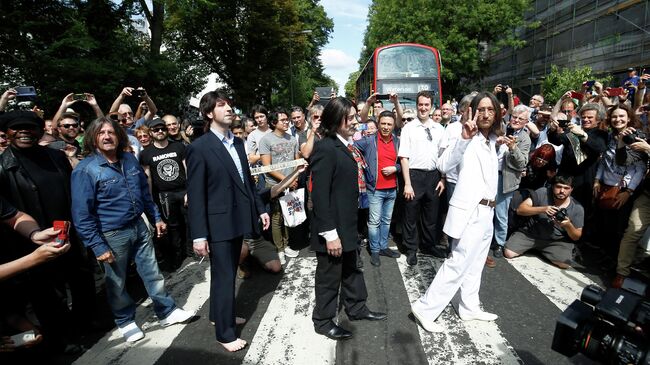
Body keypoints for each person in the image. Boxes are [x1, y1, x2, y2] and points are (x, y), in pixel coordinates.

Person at [71, 117, 193, 343]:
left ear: (119, 135)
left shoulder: (128, 158)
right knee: (117, 283)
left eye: (111, 132)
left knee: (152, 272)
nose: (107, 136)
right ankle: (125, 321)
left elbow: (144, 193)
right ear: (92, 138)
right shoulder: (85, 170)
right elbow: (81, 214)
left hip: (139, 225)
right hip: (111, 234)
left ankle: (166, 312)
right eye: (101, 133)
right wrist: (97, 245)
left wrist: (156, 217)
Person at [411, 92, 502, 333]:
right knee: (458, 262)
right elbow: (443, 165)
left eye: (489, 109)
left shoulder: (491, 139)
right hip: (469, 211)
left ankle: (469, 306)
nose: (484, 114)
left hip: (487, 211)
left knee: (476, 263)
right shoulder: (458, 131)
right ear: (470, 111)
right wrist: (463, 138)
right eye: (480, 109)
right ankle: (425, 307)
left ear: (496, 114)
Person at [186, 90, 269, 352]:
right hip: (218, 224)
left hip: (238, 219)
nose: (228, 108)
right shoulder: (199, 147)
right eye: (221, 105)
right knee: (224, 277)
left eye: (229, 104)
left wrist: (260, 209)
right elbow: (196, 196)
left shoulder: (238, 142)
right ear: (209, 113)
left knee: (228, 273)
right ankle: (225, 333)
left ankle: (218, 315)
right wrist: (199, 235)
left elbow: (247, 181)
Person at [310, 96, 387, 341]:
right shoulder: (325, 148)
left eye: (355, 116)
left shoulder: (346, 145)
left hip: (348, 223)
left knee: (352, 269)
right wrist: (330, 234)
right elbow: (319, 195)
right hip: (333, 227)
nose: (356, 121)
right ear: (337, 120)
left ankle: (356, 307)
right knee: (329, 276)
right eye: (351, 118)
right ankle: (322, 320)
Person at [398, 90, 446, 265]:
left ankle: (428, 244)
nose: (423, 108)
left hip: (433, 175)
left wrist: (443, 178)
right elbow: (404, 157)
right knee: (410, 214)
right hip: (414, 176)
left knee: (431, 215)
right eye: (420, 105)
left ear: (431, 106)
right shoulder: (409, 128)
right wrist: (408, 184)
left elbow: (443, 156)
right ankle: (411, 248)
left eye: (427, 105)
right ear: (416, 106)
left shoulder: (439, 129)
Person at [139, 118, 190, 269]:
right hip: (164, 195)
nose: (160, 131)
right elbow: (147, 179)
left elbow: (187, 170)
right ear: (151, 132)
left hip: (183, 191)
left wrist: (190, 191)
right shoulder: (146, 154)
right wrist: (149, 200)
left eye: (162, 128)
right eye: (156, 129)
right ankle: (177, 256)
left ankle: (192, 251)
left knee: (189, 222)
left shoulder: (179, 146)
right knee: (172, 226)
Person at [504, 175, 584, 269]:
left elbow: (577, 236)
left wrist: (568, 225)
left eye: (566, 188)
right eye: (558, 187)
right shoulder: (543, 192)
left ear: (571, 189)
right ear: (552, 186)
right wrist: (543, 209)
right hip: (530, 234)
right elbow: (520, 210)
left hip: (555, 240)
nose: (562, 191)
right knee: (509, 253)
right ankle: (535, 248)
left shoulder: (577, 208)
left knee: (565, 264)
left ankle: (549, 250)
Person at [354, 111, 401, 266]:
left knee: (386, 220)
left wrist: (396, 168)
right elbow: (350, 148)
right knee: (374, 221)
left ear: (393, 125)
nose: (386, 127)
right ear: (378, 124)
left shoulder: (397, 142)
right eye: (383, 123)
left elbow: (406, 161)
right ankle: (374, 250)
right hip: (375, 190)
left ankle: (383, 247)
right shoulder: (369, 141)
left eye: (389, 124)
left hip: (392, 189)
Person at [490, 105, 531, 265]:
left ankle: (499, 243)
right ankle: (484, 238)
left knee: (501, 213)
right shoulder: (501, 128)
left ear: (526, 122)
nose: (516, 120)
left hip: (505, 179)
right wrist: (497, 144)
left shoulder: (525, 138)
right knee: (485, 208)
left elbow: (522, 162)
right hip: (490, 175)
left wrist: (513, 147)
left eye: (521, 119)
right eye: (514, 117)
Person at [259, 109, 301, 263]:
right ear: (273, 123)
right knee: (276, 218)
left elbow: (297, 161)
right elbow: (266, 166)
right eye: (282, 120)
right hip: (275, 185)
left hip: (291, 183)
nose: (286, 122)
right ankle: (279, 249)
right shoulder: (266, 140)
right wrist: (287, 180)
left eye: (286, 119)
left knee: (288, 215)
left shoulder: (292, 139)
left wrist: (295, 177)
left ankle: (287, 244)